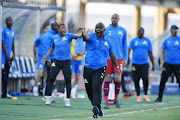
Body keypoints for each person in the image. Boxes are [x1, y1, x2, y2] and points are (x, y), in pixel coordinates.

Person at [82, 22, 120, 118]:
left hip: (101, 68)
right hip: (88, 68)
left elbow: (112, 55)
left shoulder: (108, 41)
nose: (97, 29)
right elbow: (85, 38)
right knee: (89, 90)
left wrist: (116, 67)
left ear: (104, 30)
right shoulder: (91, 36)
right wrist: (83, 34)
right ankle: (96, 106)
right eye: (96, 28)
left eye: (100, 28)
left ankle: (96, 107)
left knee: (96, 86)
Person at [41, 24, 83, 106]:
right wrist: (46, 57)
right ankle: (48, 98)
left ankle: (67, 100)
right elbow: (52, 48)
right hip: (56, 62)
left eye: (65, 28)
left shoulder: (69, 36)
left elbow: (78, 35)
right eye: (63, 28)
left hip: (66, 62)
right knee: (51, 79)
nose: (65, 30)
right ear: (59, 29)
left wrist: (83, 34)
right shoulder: (55, 37)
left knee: (68, 80)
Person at [103, 13, 131, 109]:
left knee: (118, 79)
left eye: (116, 18)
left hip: (118, 59)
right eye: (113, 18)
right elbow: (102, 44)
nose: (114, 19)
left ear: (118, 19)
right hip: (108, 58)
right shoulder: (106, 30)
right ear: (111, 19)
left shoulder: (122, 31)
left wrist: (126, 58)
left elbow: (124, 46)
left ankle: (116, 99)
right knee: (107, 78)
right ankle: (106, 101)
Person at [128, 27, 155, 103]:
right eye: (138, 31)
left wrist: (153, 64)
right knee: (136, 80)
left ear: (143, 32)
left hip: (144, 64)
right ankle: (138, 96)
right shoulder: (133, 41)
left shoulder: (147, 41)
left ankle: (146, 95)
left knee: (145, 79)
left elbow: (150, 53)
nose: (138, 32)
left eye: (140, 31)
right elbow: (129, 50)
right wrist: (126, 59)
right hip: (135, 64)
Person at [154, 25, 180, 102]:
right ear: (171, 30)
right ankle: (159, 97)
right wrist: (162, 62)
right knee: (163, 80)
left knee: (179, 80)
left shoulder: (179, 40)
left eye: (176, 29)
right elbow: (162, 52)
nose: (175, 30)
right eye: (174, 29)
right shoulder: (166, 40)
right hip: (168, 63)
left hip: (177, 64)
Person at [41, 22, 59, 96]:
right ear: (52, 26)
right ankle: (46, 95)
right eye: (54, 25)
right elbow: (46, 48)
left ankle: (49, 94)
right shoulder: (48, 35)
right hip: (49, 59)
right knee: (49, 77)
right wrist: (47, 59)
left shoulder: (56, 34)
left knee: (51, 77)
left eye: (57, 26)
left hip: (55, 59)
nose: (56, 27)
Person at [33, 24, 50, 96]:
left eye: (49, 29)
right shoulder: (40, 37)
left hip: (48, 58)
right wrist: (35, 56)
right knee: (40, 73)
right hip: (40, 58)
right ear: (43, 30)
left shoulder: (50, 38)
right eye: (46, 28)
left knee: (46, 74)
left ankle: (44, 90)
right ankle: (35, 89)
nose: (48, 30)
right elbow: (34, 46)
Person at [1, 17, 15, 98]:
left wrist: (14, 54)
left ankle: (4, 93)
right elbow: (2, 44)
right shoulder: (3, 30)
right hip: (3, 56)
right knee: (2, 72)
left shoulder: (13, 31)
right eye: (8, 20)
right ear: (6, 22)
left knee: (6, 74)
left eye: (11, 20)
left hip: (9, 56)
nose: (10, 21)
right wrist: (7, 55)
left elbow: (13, 43)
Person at [70, 28, 85, 99]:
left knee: (78, 77)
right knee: (71, 76)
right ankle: (67, 91)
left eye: (82, 33)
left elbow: (86, 51)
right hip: (72, 60)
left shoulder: (84, 41)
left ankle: (73, 92)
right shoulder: (73, 40)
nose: (81, 34)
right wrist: (71, 55)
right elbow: (68, 48)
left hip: (79, 61)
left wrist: (82, 53)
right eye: (80, 33)